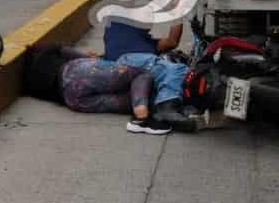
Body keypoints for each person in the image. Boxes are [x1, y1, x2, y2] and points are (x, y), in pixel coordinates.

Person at [22, 44, 172, 135]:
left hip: (72, 99)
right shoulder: (46, 51)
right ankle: (142, 117)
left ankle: (142, 117)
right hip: (77, 71)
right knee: (141, 74)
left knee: (128, 101)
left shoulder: (31, 85)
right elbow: (79, 56)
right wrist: (93, 60)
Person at [103, 20, 183, 61]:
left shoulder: (111, 29)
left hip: (112, 67)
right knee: (178, 70)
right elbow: (172, 42)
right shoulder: (145, 46)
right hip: (140, 65)